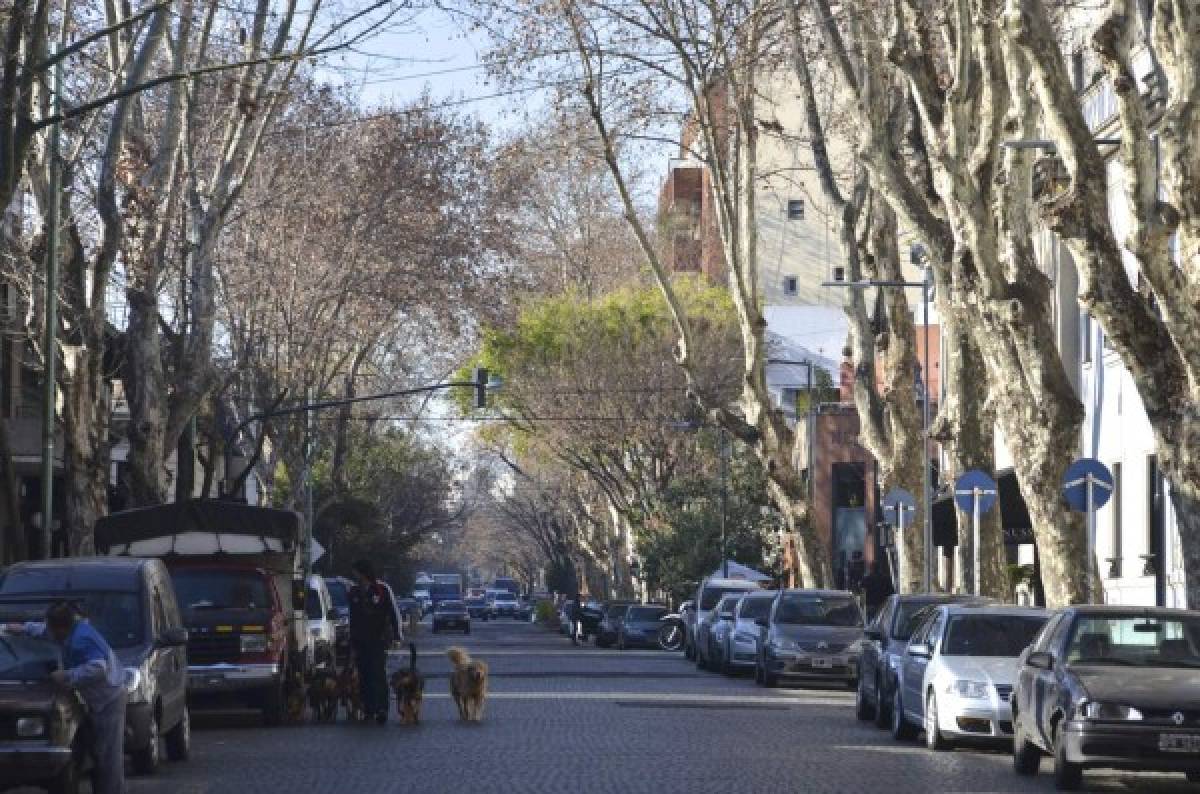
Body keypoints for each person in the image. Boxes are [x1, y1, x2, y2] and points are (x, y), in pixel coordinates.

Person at [5, 601, 126, 794]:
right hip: (98, 698)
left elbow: (98, 668)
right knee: (99, 753)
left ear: (61, 627)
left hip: (108, 699)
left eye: (51, 628)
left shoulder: (81, 639)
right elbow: (43, 631)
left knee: (108, 757)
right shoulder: (71, 630)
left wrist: (68, 675)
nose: (49, 633)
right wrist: (20, 629)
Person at [348, 560, 394, 724]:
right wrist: (352, 642)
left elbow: (392, 613)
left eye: (356, 572)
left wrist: (395, 636)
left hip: (378, 639)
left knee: (378, 674)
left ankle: (382, 708)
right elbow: (352, 618)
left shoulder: (381, 590)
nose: (354, 576)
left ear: (363, 572)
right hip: (360, 641)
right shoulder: (354, 591)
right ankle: (368, 708)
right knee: (364, 675)